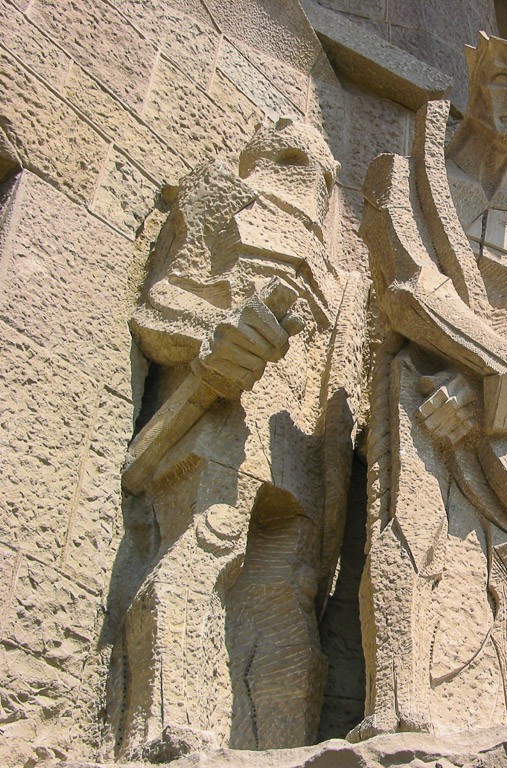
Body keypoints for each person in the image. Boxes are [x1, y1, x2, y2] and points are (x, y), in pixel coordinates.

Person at [355, 29, 507, 736]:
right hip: (422, 393)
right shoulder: (405, 177)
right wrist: (484, 367)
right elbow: (406, 289)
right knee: (411, 532)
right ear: (471, 87)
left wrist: (497, 392)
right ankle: (397, 712)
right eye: (502, 80)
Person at [112, 117, 355, 756]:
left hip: (293, 450)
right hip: (215, 422)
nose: (315, 172)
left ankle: (272, 749)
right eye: (295, 151)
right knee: (198, 557)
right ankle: (168, 733)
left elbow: (339, 367)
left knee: (288, 596)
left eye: (324, 169)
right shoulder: (219, 196)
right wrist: (214, 339)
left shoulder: (340, 265)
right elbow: (163, 305)